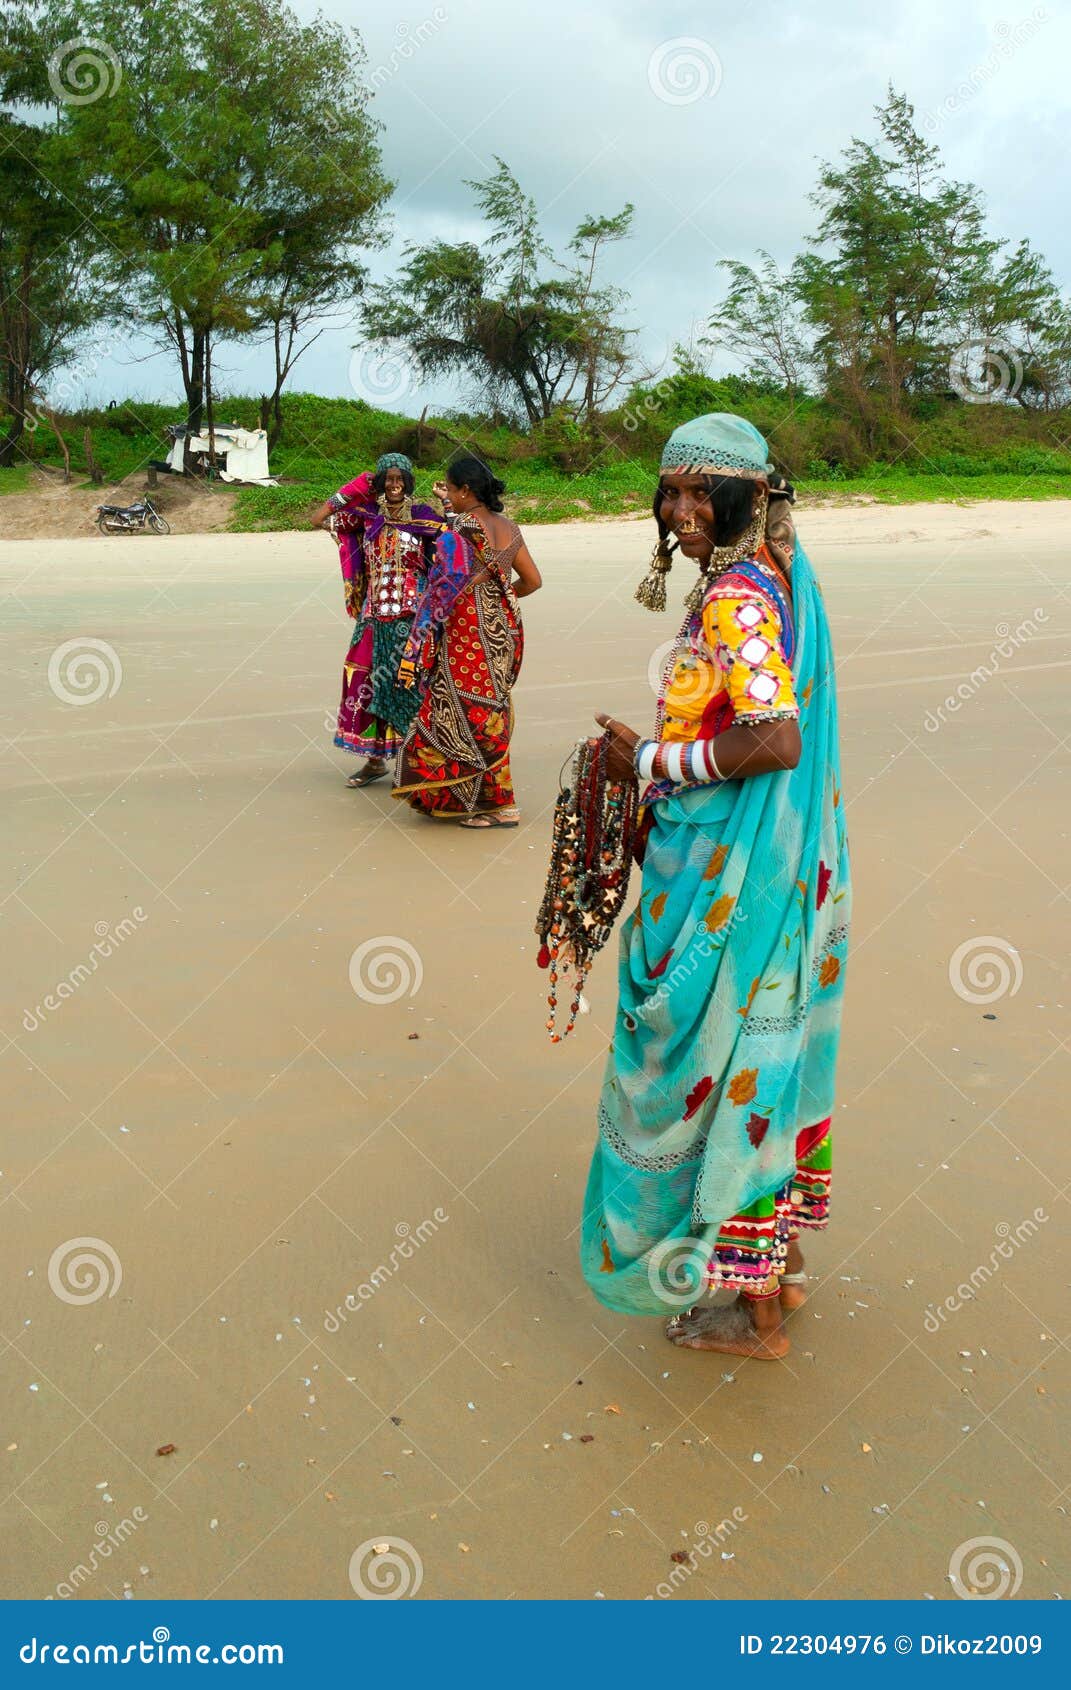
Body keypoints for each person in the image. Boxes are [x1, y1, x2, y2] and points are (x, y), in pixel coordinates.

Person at [579, 413, 850, 1361]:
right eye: (672, 492)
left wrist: (650, 757)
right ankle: (778, 1273)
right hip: (763, 864)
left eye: (704, 493)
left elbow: (775, 737)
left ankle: (752, 1313)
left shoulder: (738, 593)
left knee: (710, 1061)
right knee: (756, 1058)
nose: (684, 511)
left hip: (722, 875)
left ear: (748, 495)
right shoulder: (775, 577)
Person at [393, 455, 542, 828]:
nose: (451, 497)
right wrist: (498, 597)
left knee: (457, 709)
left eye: (451, 488)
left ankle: (496, 803)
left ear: (465, 490)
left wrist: (416, 644)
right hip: (502, 630)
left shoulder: (457, 531)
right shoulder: (509, 527)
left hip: (465, 633)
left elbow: (442, 591)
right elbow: (532, 581)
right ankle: (488, 799)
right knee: (490, 709)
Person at [312, 453, 447, 787]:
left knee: (410, 683)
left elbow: (454, 538)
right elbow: (319, 519)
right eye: (389, 479)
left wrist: (448, 501)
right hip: (373, 615)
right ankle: (375, 761)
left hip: (412, 617)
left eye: (401, 479)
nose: (395, 485)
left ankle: (415, 758)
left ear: (409, 482)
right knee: (365, 680)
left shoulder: (423, 516)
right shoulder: (366, 515)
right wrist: (353, 489)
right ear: (381, 482)